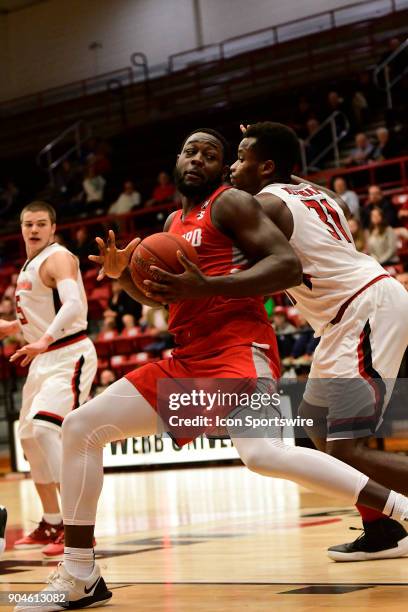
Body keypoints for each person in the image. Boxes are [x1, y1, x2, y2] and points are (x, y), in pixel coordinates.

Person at [18, 130, 408, 611]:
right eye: (190, 150)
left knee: (278, 452)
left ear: (228, 169)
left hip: (240, 349)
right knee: (82, 427)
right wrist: (126, 277)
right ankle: (80, 573)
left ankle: (397, 512)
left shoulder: (234, 204)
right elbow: (167, 295)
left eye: (215, 155)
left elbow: (285, 266)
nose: (199, 159)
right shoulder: (172, 221)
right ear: (176, 159)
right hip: (189, 357)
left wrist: (208, 286)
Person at [231, 121, 408, 562]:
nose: (233, 168)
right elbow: (295, 177)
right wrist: (275, 146)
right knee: (315, 422)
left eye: (241, 158)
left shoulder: (266, 205)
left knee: (346, 448)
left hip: (364, 306)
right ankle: (381, 527)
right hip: (345, 315)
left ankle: (390, 518)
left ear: (267, 167)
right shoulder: (317, 193)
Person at [0, 201, 97, 560]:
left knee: (45, 429)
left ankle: (78, 528)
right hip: (43, 358)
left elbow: (72, 305)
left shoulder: (58, 257)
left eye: (42, 223)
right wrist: (16, 328)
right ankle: (51, 521)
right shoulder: (29, 264)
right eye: (28, 224)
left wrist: (42, 339)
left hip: (69, 352)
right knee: (29, 439)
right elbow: (40, 312)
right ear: (21, 228)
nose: (34, 229)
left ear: (54, 228)